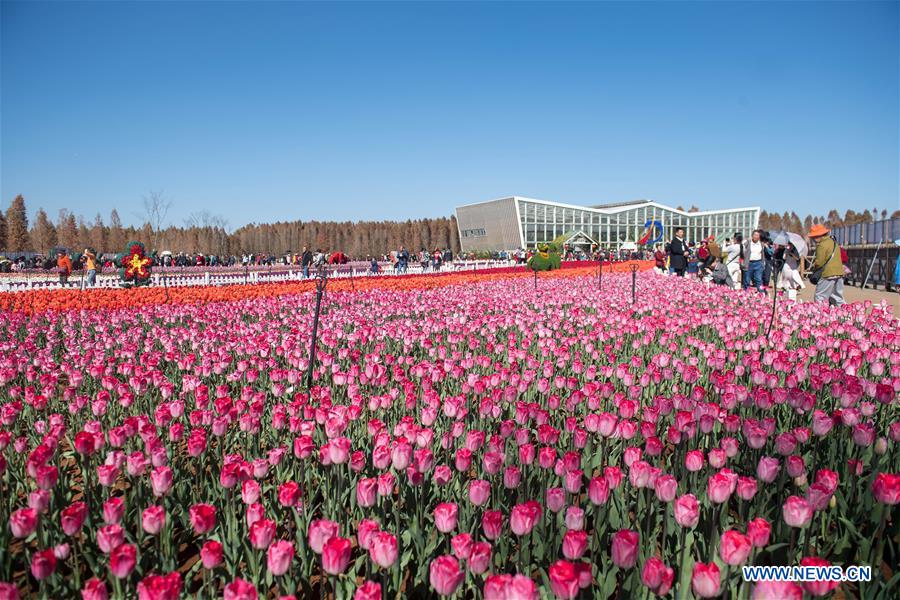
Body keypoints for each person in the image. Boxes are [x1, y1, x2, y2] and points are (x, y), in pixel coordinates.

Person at [808, 224, 845, 306]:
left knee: (820, 296)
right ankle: (846, 311)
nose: (813, 239)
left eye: (814, 237)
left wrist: (813, 268)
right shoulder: (834, 242)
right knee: (838, 298)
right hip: (839, 272)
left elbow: (819, 262)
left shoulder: (821, 245)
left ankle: (820, 312)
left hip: (827, 273)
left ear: (818, 236)